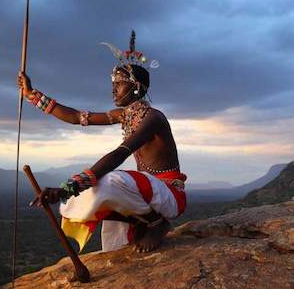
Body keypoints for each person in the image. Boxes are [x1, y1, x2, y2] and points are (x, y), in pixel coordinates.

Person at [17, 31, 186, 253]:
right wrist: (32, 95)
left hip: (169, 195)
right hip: (147, 196)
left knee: (111, 181)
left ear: (136, 87)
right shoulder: (124, 115)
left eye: (120, 83)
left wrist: (68, 188)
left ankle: (157, 223)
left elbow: (120, 154)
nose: (113, 89)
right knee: (96, 195)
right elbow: (76, 117)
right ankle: (134, 232)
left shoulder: (153, 118)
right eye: (113, 83)